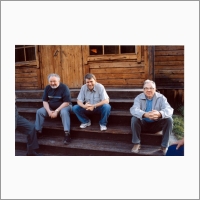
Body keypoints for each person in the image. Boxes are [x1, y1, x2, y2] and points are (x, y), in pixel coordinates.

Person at [130, 79, 174, 155]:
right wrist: (144, 114)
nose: (149, 90)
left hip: (156, 124)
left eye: (151, 88)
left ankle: (164, 146)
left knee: (169, 119)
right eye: (146, 88)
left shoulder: (161, 97)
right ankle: (136, 143)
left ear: (155, 89)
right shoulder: (138, 98)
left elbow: (169, 109)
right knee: (134, 118)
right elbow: (133, 109)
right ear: (143, 89)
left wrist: (160, 114)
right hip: (143, 124)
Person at [35, 73, 72, 145]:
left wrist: (56, 111)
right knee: (39, 111)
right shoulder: (47, 88)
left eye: (54, 81)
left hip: (64, 106)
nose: (52, 83)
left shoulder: (64, 87)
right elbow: (45, 101)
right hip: (51, 107)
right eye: (51, 81)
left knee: (64, 112)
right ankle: (38, 132)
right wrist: (49, 111)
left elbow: (66, 102)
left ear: (59, 81)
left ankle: (67, 134)